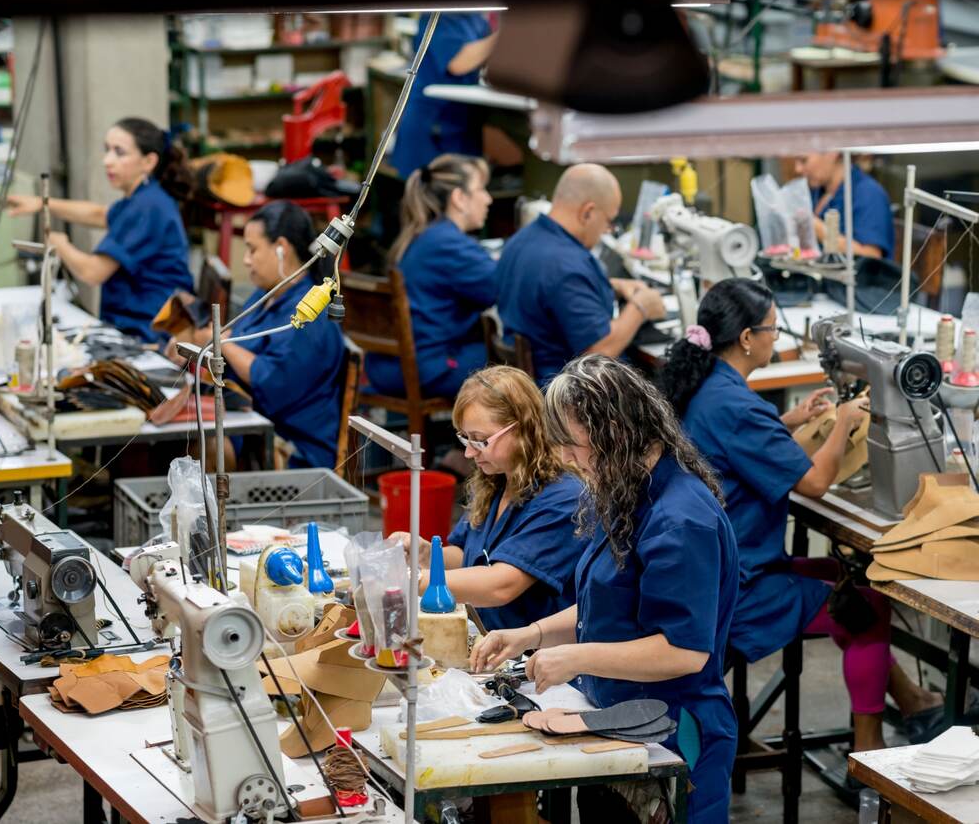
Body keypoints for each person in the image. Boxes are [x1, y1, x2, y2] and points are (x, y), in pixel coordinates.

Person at [660, 277, 944, 752]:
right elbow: (813, 482)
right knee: (866, 606)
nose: (778, 338)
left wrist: (786, 422)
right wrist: (847, 422)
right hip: (738, 588)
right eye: (773, 329)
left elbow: (734, 441)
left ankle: (912, 702)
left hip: (708, 571)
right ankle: (869, 754)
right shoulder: (739, 407)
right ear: (747, 338)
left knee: (843, 578)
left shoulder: (703, 387)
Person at [472, 355, 739, 824]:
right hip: (617, 719)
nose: (566, 459)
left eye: (573, 445)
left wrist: (577, 658)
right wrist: (530, 634)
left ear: (615, 431)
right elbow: (606, 604)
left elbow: (683, 651)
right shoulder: (626, 489)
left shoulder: (680, 521)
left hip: (672, 731)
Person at [396, 365, 586, 632]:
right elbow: (467, 555)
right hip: (485, 635)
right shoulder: (496, 479)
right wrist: (427, 555)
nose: (469, 454)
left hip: (532, 655)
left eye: (480, 441)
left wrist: (409, 580)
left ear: (523, 430)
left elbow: (501, 585)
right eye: (465, 439)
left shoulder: (564, 499)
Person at [173, 202, 344, 470]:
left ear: (281, 249)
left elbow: (273, 381)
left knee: (202, 445)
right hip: (247, 424)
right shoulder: (265, 297)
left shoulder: (310, 315)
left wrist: (220, 342)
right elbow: (235, 343)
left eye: (252, 249)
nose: (246, 260)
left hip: (291, 448)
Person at [6, 117, 194, 342]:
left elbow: (92, 272)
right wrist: (42, 203)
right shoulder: (144, 198)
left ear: (149, 161)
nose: (107, 161)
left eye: (119, 152)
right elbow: (100, 214)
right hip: (133, 322)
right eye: (107, 150)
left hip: (148, 331)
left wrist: (60, 244)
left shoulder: (147, 206)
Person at [496, 163, 665, 382]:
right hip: (566, 395)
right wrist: (640, 307)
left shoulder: (521, 241)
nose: (607, 230)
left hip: (528, 384)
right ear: (588, 212)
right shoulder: (567, 265)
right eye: (608, 221)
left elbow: (547, 292)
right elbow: (598, 352)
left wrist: (613, 286)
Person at [366, 154, 496, 399]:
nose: (488, 199)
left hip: (390, 365)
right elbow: (497, 288)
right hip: (429, 368)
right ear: (459, 198)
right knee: (515, 365)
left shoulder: (424, 236)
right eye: (481, 189)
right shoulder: (447, 243)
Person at [388, 12, 497, 180]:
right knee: (431, 194)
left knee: (462, 189)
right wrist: (504, 34)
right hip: (433, 123)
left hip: (461, 122)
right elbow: (457, 63)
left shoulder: (475, 17)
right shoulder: (440, 15)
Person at [795, 152, 894, 260]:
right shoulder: (817, 191)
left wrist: (818, 229)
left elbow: (871, 257)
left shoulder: (868, 193)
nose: (798, 169)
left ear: (832, 153)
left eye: (804, 160)